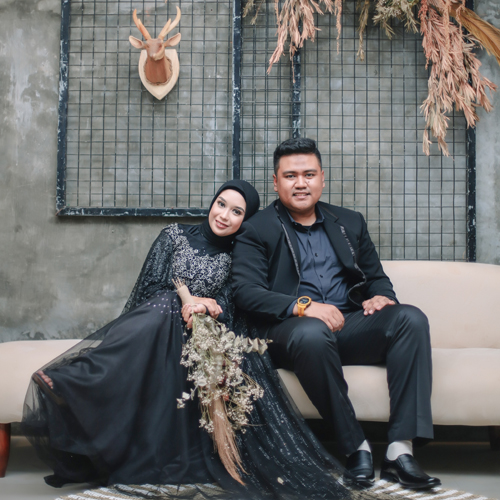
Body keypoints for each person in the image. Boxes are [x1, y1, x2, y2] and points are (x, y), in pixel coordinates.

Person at [21, 179, 369, 500]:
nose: (224, 215)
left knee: (174, 307)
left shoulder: (238, 256)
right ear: (212, 203)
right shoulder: (173, 236)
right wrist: (186, 300)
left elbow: (234, 310)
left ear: (245, 220)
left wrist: (206, 308)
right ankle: (79, 380)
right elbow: (147, 290)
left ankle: (83, 378)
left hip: (201, 338)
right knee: (166, 301)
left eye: (237, 212)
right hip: (158, 325)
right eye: (221, 204)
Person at [232, 137, 441, 490]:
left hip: (348, 325)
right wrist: (304, 306)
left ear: (322, 178)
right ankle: (355, 447)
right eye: (290, 176)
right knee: (312, 331)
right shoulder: (257, 228)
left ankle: (399, 452)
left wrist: (382, 298)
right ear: (276, 182)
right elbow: (246, 292)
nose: (301, 183)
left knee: (411, 318)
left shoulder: (349, 222)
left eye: (309, 174)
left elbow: (376, 278)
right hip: (291, 331)